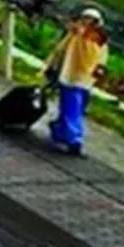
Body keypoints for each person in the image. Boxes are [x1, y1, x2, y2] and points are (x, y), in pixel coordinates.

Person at [45, 8, 110, 157]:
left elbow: (101, 59)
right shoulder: (76, 35)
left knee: (74, 109)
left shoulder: (97, 40)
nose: (87, 22)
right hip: (70, 78)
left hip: (85, 81)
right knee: (72, 109)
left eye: (91, 20)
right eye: (85, 19)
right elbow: (60, 50)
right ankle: (74, 139)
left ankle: (60, 131)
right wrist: (52, 66)